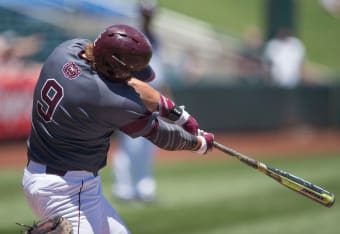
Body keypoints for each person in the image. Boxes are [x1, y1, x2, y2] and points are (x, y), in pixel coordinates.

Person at [22, 24, 214, 234]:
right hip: (65, 191)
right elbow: (163, 136)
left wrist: (176, 113)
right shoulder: (110, 101)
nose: (133, 76)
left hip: (53, 178)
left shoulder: (67, 50)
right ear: (114, 68)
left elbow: (128, 82)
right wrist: (199, 143)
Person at [111, 0, 167, 202]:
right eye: (146, 13)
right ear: (140, 13)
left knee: (148, 144)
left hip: (154, 94)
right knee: (130, 144)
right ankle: (123, 189)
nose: (148, 16)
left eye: (151, 13)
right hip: (132, 93)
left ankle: (144, 188)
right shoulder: (128, 36)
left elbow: (161, 71)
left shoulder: (155, 38)